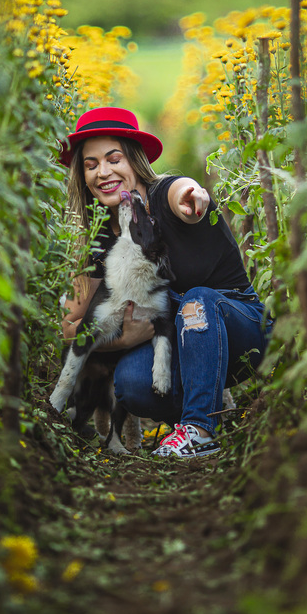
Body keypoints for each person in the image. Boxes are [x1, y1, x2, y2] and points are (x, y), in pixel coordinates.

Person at [58, 106, 274, 458]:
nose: (103, 172)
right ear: (81, 175)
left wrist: (195, 196)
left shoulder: (164, 195)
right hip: (179, 343)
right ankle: (208, 411)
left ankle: (199, 430)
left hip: (241, 325)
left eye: (114, 159)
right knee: (131, 382)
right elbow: (70, 328)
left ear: (134, 161)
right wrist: (124, 337)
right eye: (91, 164)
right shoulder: (96, 238)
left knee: (196, 301)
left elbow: (183, 192)